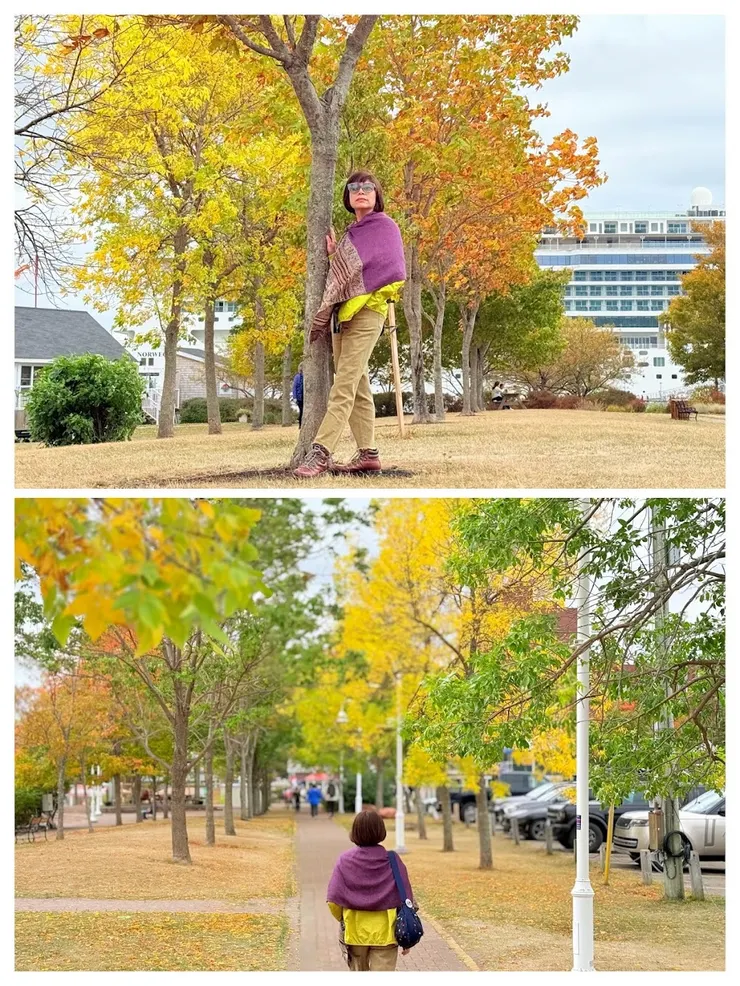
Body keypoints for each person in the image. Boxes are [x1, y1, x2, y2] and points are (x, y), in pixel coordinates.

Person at [293, 171, 406, 479]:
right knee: (357, 385)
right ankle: (368, 455)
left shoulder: (385, 227)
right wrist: (335, 256)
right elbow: (348, 275)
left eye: (367, 187)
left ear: (376, 194)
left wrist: (365, 295)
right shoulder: (352, 233)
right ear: (347, 196)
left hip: (368, 313)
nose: (360, 192)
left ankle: (319, 452)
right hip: (342, 317)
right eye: (354, 188)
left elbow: (392, 269)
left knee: (343, 385)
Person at [326, 810, 416, 972]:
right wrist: (406, 939)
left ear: (355, 832)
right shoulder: (393, 860)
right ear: (381, 831)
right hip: (386, 934)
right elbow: (407, 898)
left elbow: (333, 901)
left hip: (355, 932)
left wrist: (343, 917)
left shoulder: (345, 860)